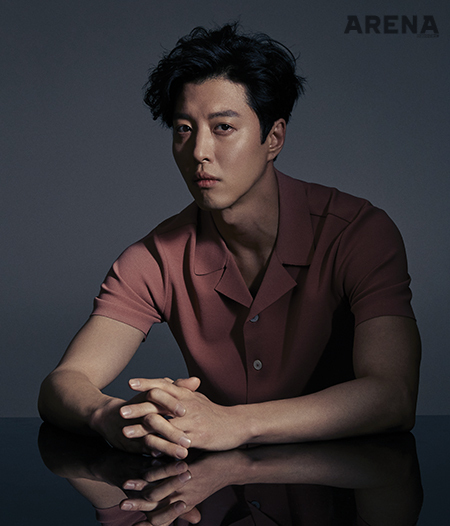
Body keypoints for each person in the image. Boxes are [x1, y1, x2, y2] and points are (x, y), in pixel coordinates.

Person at [38, 23, 421, 463]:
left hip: (348, 482)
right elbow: (63, 382)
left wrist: (234, 423)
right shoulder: (155, 258)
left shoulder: (358, 233)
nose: (199, 151)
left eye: (222, 127)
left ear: (273, 138)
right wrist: (112, 415)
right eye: (184, 129)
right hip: (214, 488)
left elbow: (393, 395)